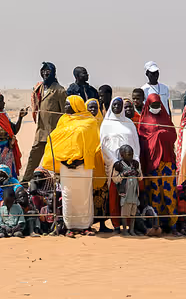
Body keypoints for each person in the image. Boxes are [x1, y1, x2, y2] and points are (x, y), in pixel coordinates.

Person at [44, 96, 101, 233]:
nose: (65, 107)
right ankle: (69, 226)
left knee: (84, 197)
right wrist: (64, 160)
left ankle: (85, 226)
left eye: (68, 105)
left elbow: (94, 144)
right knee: (68, 197)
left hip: (83, 165)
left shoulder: (90, 122)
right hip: (66, 167)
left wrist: (80, 160)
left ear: (76, 106)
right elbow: (54, 140)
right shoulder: (63, 120)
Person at [137, 92, 178, 230]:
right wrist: (158, 136)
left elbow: (173, 135)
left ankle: (172, 224)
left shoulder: (165, 118)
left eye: (158, 104)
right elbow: (143, 138)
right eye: (153, 105)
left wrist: (163, 134)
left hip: (167, 161)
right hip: (152, 162)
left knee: (169, 193)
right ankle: (156, 224)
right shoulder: (144, 121)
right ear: (148, 105)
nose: (156, 107)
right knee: (154, 193)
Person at [99, 97, 140, 224]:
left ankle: (129, 225)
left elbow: (136, 144)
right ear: (111, 106)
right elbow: (103, 146)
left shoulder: (129, 123)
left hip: (130, 164)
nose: (117, 107)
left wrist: (135, 160)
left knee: (131, 195)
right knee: (115, 197)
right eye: (115, 104)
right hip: (114, 166)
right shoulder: (105, 124)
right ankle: (117, 225)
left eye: (119, 105)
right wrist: (115, 162)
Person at [23, 62, 66, 181]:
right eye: (43, 71)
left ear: (53, 73)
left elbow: (64, 114)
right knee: (34, 156)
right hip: (41, 130)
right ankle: (26, 181)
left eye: (48, 71)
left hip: (54, 132)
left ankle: (56, 183)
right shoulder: (39, 88)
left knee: (54, 159)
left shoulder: (59, 90)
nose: (45, 73)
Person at [111, 145, 143, 235]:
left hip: (134, 192)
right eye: (128, 154)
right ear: (121, 155)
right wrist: (123, 174)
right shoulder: (118, 165)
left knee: (133, 211)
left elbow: (141, 177)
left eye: (131, 154)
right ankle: (125, 230)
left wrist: (137, 173)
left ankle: (131, 229)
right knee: (125, 211)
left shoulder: (136, 163)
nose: (130, 156)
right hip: (125, 192)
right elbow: (114, 179)